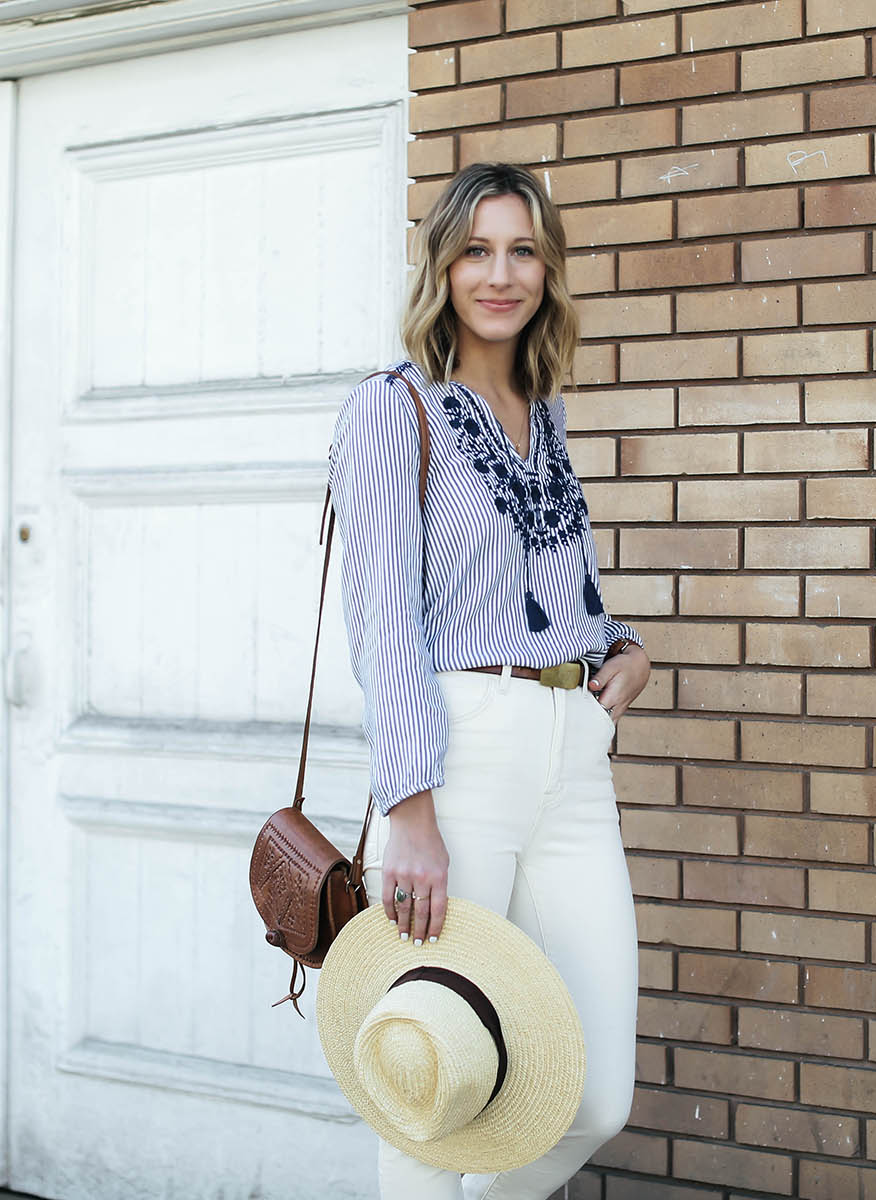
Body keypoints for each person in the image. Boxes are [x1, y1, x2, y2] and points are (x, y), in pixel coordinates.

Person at [325, 160, 652, 1199]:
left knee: (592, 1096)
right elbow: (385, 620)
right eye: (476, 250)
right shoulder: (397, 409)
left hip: (568, 750)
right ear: (442, 267)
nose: (499, 274)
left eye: (522, 250)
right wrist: (408, 806)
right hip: (456, 752)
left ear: (549, 269)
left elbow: (559, 592)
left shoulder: (544, 416)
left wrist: (622, 650)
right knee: (431, 1092)